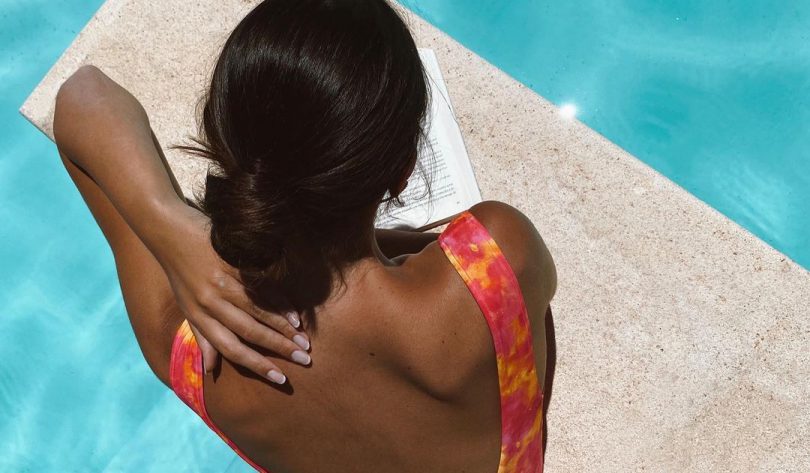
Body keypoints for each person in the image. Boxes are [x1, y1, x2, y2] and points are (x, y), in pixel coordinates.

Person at [52, 0, 557, 471]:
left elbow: (82, 96)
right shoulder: (498, 259)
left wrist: (172, 226)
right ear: (403, 169)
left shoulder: (189, 351)